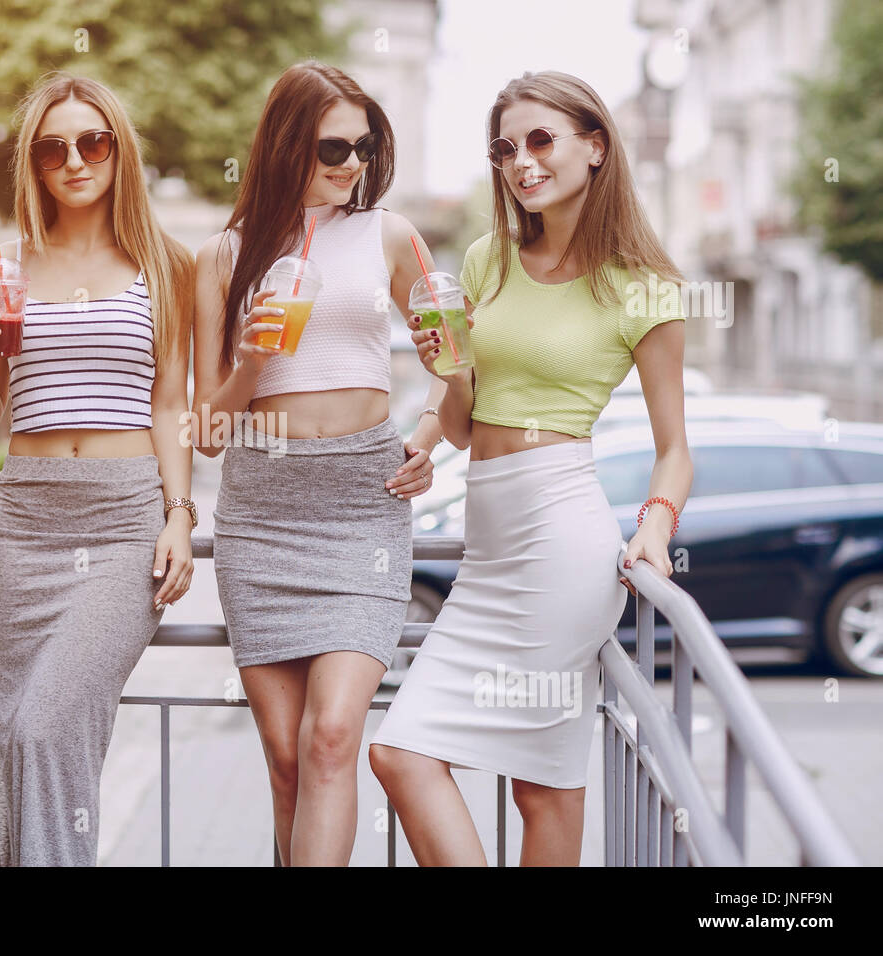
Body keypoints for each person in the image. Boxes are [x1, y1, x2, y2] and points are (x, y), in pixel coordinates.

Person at [369, 70, 693, 866]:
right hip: (489, 551)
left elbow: (676, 447)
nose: (522, 163)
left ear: (595, 145)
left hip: (563, 539)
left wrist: (656, 523)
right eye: (506, 148)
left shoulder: (645, 289)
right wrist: (429, 416)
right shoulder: (488, 260)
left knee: (542, 788)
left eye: (541, 140)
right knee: (401, 752)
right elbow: (467, 413)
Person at [191, 61, 449, 866]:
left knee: (334, 734)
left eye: (365, 148)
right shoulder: (222, 256)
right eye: (334, 148)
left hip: (361, 505)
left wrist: (431, 435)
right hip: (261, 513)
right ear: (286, 144)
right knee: (288, 762)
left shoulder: (392, 236)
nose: (352, 166)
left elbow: (459, 364)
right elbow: (206, 430)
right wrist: (252, 359)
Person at [0, 72, 196, 866]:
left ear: (119, 151)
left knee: (45, 725)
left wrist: (180, 515)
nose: (74, 159)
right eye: (53, 147)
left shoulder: (165, 264)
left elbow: (169, 407)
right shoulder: (6, 269)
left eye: (93, 140)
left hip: (124, 526)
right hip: (21, 528)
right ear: (34, 163)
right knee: (23, 740)